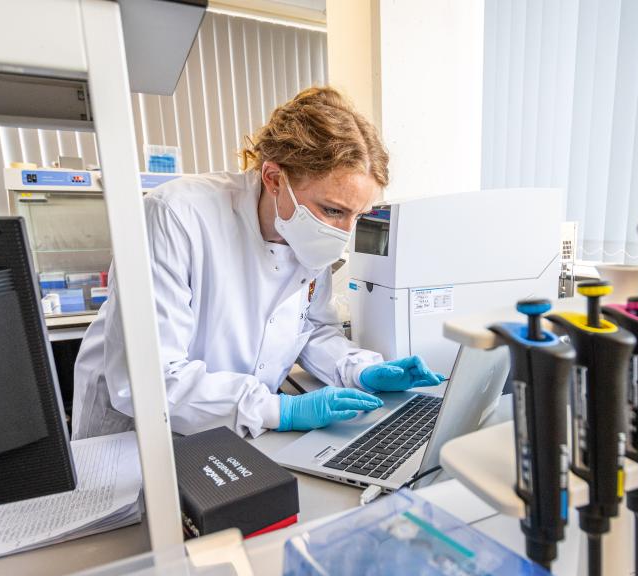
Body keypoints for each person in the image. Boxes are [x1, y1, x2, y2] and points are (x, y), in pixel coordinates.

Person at [71, 86, 443, 440]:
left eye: (357, 215)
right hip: (136, 438)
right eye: (332, 210)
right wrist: (281, 411)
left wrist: (361, 369)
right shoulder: (175, 214)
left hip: (240, 428)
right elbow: (150, 379)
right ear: (274, 177)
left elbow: (312, 328)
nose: (344, 231)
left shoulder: (306, 237)